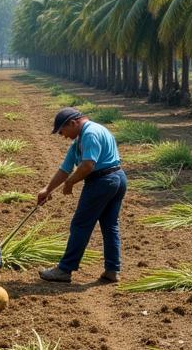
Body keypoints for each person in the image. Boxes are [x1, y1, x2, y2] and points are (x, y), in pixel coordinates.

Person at [37, 107, 126, 283]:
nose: (63, 136)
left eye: (63, 131)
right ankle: (112, 270)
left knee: (80, 225)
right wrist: (47, 190)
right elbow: (65, 169)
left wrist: (70, 183)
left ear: (73, 123)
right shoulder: (80, 140)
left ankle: (65, 269)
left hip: (103, 181)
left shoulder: (90, 133)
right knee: (110, 226)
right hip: (117, 178)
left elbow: (88, 165)